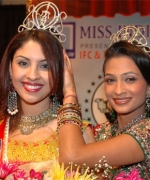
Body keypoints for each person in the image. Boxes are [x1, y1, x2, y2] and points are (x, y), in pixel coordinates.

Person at [0, 1, 95, 179]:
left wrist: (70, 93)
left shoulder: (79, 133)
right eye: (23, 63)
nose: (32, 75)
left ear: (60, 73)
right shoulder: (1, 131)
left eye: (45, 66)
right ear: (10, 69)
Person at [58, 26, 150, 180]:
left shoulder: (146, 132)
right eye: (110, 80)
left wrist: (70, 95)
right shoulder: (102, 132)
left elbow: (71, 158)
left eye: (130, 79)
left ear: (148, 87)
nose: (118, 90)